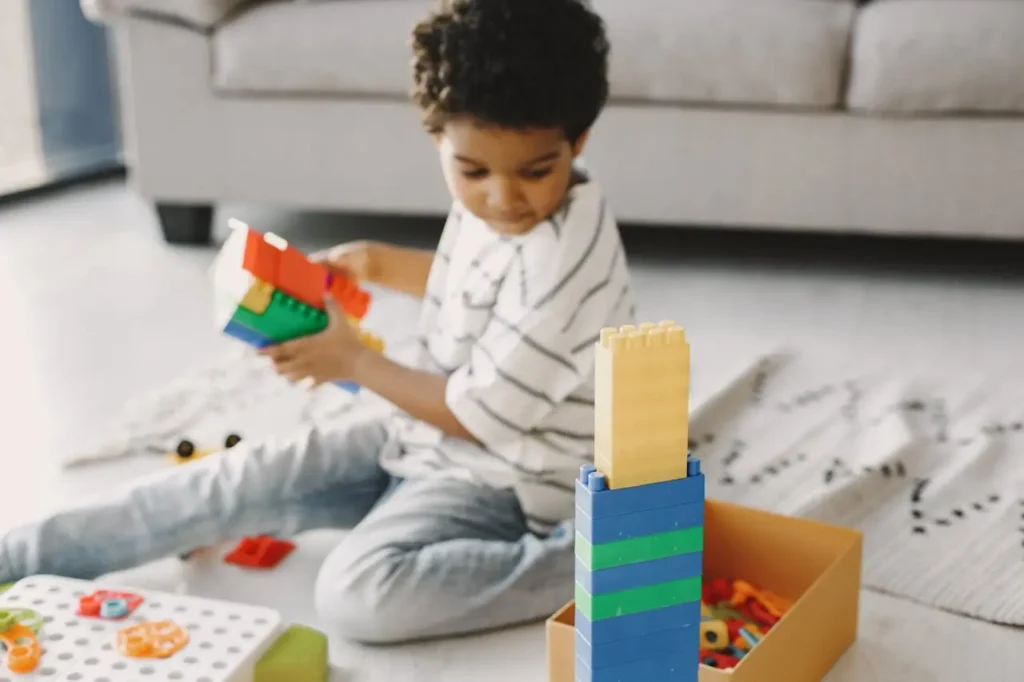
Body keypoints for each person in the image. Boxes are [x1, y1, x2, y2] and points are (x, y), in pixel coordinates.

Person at [0, 0, 635, 643]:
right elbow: (482, 284)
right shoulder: (516, 205)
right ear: (436, 135)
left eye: (533, 172)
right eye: (472, 172)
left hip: (508, 481)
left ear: (577, 141)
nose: (502, 198)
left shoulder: (564, 266)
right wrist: (375, 263)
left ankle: (609, 553)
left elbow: (481, 415)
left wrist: (354, 362)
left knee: (359, 594)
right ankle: (18, 556)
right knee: (227, 485)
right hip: (420, 438)